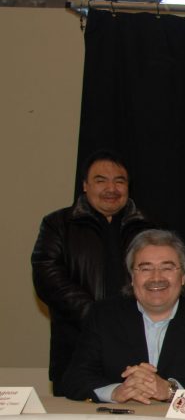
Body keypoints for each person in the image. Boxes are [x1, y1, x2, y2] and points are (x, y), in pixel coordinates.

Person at [60, 229, 185, 403]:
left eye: (167, 268)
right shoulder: (103, 315)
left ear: (183, 276)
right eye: (145, 268)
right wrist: (116, 392)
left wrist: (171, 389)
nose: (156, 278)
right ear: (132, 278)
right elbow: (74, 379)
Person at [32, 149, 155, 386]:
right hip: (77, 341)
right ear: (85, 185)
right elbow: (48, 277)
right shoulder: (58, 224)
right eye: (101, 181)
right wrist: (98, 319)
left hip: (140, 342)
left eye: (119, 181)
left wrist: (129, 323)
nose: (111, 188)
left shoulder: (150, 228)